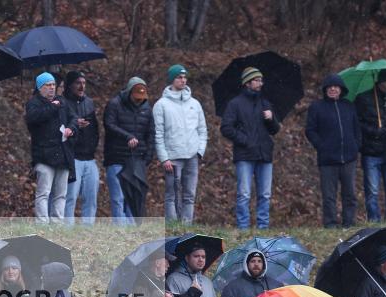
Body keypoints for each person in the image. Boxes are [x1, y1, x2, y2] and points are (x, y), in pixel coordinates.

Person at [220, 67, 281, 230]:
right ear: (247, 83)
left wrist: (271, 119)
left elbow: (275, 130)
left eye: (261, 80)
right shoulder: (235, 104)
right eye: (257, 80)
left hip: (264, 154)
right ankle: (243, 227)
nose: (260, 83)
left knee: (265, 194)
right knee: (244, 194)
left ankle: (263, 227)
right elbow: (226, 127)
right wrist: (245, 140)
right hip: (244, 155)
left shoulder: (265, 103)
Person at [153, 64, 208, 224]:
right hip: (172, 157)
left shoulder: (195, 104)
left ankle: (186, 226)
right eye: (179, 77)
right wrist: (164, 158)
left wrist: (200, 151)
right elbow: (158, 134)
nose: (183, 80)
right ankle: (172, 226)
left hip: (192, 156)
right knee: (171, 195)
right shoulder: (161, 105)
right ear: (172, 79)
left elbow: (202, 129)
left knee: (189, 195)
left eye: (184, 77)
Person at [305, 74, 361, 228]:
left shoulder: (349, 106)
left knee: (350, 194)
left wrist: (356, 145)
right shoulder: (316, 107)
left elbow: (357, 128)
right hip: (327, 159)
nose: (333, 89)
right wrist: (321, 146)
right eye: (329, 87)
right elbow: (310, 130)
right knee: (329, 195)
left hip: (349, 158)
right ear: (325, 90)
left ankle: (349, 223)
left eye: (336, 87)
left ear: (341, 89)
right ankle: (330, 224)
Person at [25, 72, 77, 223]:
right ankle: (42, 224)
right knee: (43, 193)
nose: (52, 88)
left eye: (53, 84)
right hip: (43, 155)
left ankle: (57, 224)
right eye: (48, 85)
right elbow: (33, 118)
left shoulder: (62, 101)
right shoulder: (33, 103)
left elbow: (73, 118)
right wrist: (52, 107)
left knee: (61, 194)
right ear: (40, 87)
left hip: (63, 154)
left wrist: (71, 128)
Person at [355, 69, 386, 222]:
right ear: (382, 82)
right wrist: (374, 131)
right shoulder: (363, 99)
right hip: (371, 153)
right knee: (372, 192)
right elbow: (356, 124)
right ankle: (374, 222)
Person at [103, 76, 154, 225]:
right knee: (118, 197)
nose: (139, 100)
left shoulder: (147, 109)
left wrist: (147, 157)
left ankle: (132, 229)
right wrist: (127, 137)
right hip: (117, 157)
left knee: (133, 198)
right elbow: (109, 124)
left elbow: (151, 134)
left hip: (137, 160)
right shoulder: (114, 104)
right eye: (136, 97)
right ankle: (120, 229)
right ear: (129, 92)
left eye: (141, 98)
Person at [62, 70, 100, 225]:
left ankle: (87, 230)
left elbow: (95, 129)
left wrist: (93, 147)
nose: (81, 86)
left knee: (91, 198)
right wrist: (74, 125)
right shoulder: (63, 102)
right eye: (78, 83)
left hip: (90, 158)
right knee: (70, 197)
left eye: (84, 83)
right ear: (70, 85)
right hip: (73, 157)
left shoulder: (89, 103)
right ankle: (67, 230)